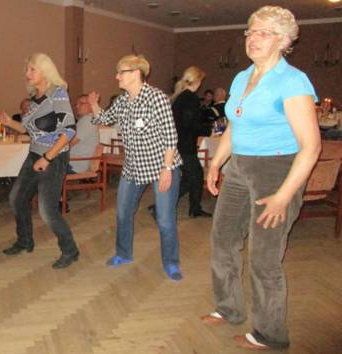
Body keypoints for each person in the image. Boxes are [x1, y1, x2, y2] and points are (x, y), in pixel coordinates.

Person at [201, 6, 321, 351]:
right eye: (250, 31)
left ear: (283, 41)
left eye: (264, 32)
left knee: (264, 258)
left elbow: (310, 147)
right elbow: (234, 125)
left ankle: (270, 334)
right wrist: (216, 164)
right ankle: (229, 308)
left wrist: (284, 196)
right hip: (238, 167)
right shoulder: (242, 78)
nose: (253, 38)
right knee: (222, 240)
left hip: (276, 171)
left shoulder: (293, 82)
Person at [88, 54, 183, 280]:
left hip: (161, 166)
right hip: (132, 168)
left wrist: (167, 170)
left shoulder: (156, 98)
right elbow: (104, 118)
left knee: (165, 219)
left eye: (121, 72)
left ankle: (171, 263)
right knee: (123, 212)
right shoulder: (122, 101)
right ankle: (124, 253)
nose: (117, 76)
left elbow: (171, 137)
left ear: (136, 73)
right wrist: (93, 104)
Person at [0, 53, 79, 269]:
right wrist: (9, 123)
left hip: (53, 158)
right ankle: (24, 241)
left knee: (47, 210)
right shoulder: (36, 97)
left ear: (45, 71)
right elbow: (28, 129)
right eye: (27, 70)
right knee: (16, 199)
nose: (27, 74)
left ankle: (70, 250)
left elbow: (69, 131)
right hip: (34, 155)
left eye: (32, 69)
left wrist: (47, 157)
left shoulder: (58, 95)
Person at [152, 66, 212, 218]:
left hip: (177, 143)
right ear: (197, 81)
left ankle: (161, 205)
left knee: (188, 177)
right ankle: (193, 209)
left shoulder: (179, 96)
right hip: (184, 145)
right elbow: (190, 124)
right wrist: (207, 130)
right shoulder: (190, 98)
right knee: (196, 175)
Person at [68, 94, 99, 174]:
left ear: (91, 106)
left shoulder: (88, 121)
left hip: (75, 164)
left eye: (81, 103)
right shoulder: (85, 119)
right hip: (74, 161)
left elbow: (71, 142)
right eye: (76, 104)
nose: (77, 106)